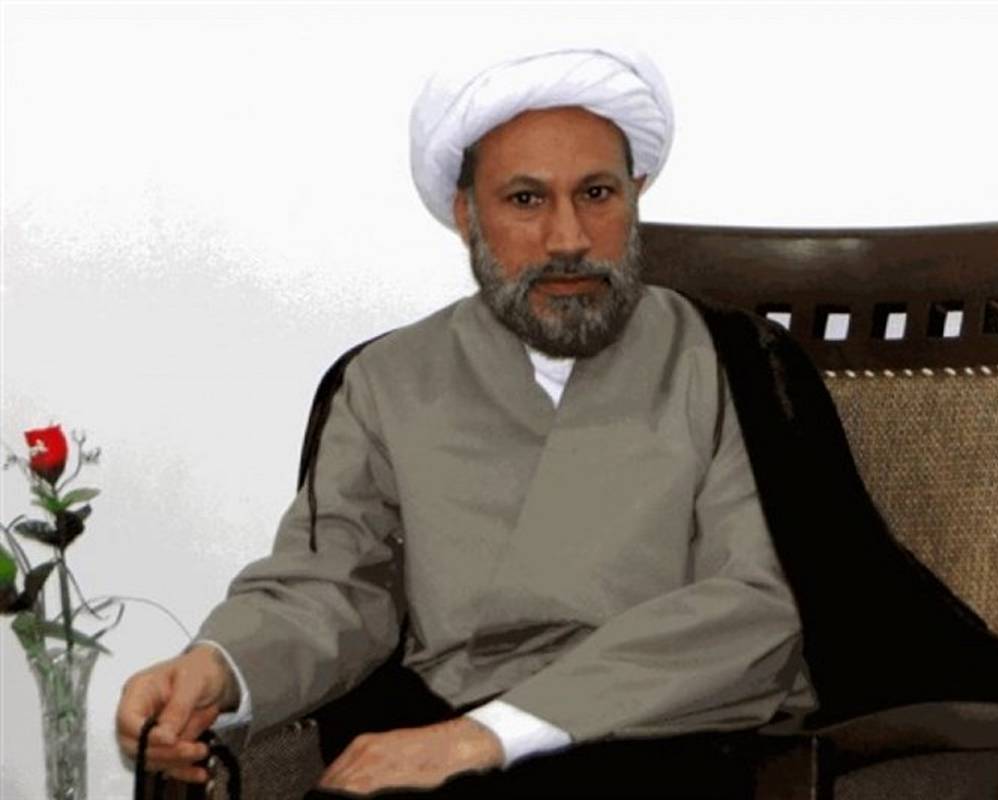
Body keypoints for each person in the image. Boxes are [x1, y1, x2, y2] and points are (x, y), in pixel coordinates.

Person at [115, 46, 812, 798]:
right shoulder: (386, 381)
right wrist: (220, 668)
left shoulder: (732, 363)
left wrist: (490, 737)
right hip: (438, 729)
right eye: (526, 199)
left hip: (665, 739)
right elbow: (334, 586)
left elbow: (757, 605)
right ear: (465, 215)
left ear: (635, 196)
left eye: (597, 193)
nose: (569, 238)